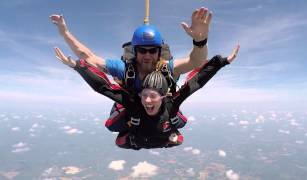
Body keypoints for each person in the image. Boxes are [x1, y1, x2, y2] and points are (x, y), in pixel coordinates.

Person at [50, 7, 212, 132]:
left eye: (152, 50)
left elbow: (195, 61)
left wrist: (200, 40)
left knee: (180, 123)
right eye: (142, 50)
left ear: (158, 51)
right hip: (133, 105)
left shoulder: (166, 68)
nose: (147, 55)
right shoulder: (125, 69)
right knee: (113, 125)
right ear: (134, 51)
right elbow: (88, 56)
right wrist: (65, 32)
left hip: (161, 106)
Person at [54, 45, 240, 150]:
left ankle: (169, 135)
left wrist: (220, 62)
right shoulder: (135, 104)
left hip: (160, 136)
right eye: (144, 95)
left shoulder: (171, 104)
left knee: (179, 129)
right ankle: (164, 136)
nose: (147, 101)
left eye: (153, 96)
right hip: (138, 138)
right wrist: (78, 66)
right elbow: (103, 87)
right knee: (113, 130)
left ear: (162, 96)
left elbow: (195, 83)